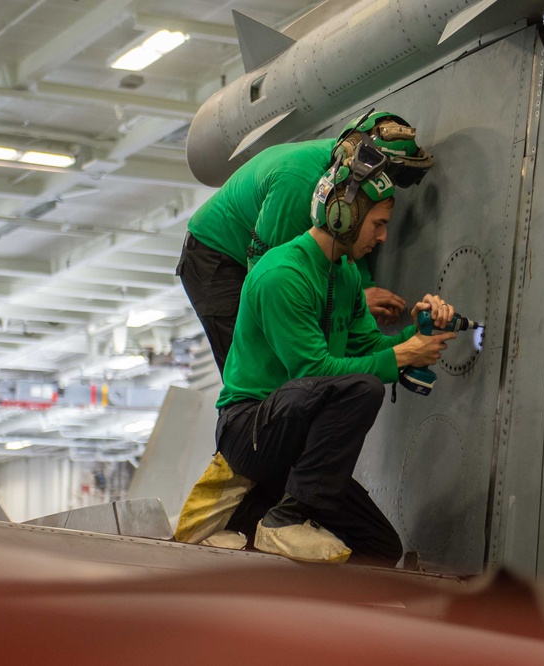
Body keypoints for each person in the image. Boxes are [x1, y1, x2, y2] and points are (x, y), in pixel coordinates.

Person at [175, 144, 459, 565]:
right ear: (343, 216)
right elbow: (313, 372)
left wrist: (415, 336)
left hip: (295, 434)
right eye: (378, 225)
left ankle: (257, 524)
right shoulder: (281, 275)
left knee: (380, 549)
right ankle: (283, 520)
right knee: (360, 388)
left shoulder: (343, 275)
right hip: (251, 429)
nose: (383, 237)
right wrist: (402, 357)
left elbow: (366, 348)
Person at [176, 111, 434, 375]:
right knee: (254, 368)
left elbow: (349, 239)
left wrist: (361, 294)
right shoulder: (300, 185)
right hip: (216, 257)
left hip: (248, 251)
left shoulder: (345, 180)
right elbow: (265, 277)